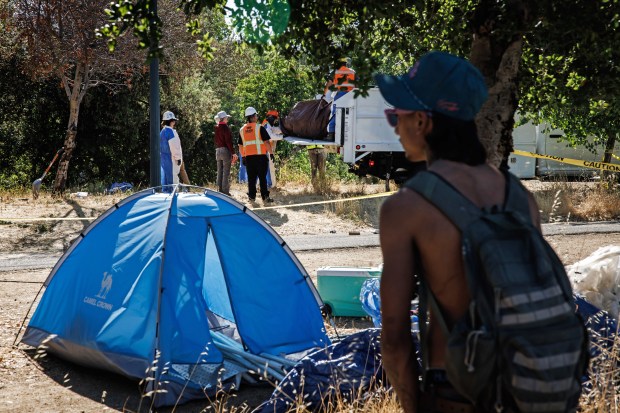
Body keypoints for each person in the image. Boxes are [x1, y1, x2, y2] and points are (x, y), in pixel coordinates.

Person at [375, 52, 541, 412]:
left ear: (421, 121)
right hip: (528, 390)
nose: (394, 126)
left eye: (395, 115)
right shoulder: (520, 198)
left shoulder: (407, 208)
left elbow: (394, 338)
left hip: (453, 391)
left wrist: (413, 405)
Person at [238, 106, 275, 203]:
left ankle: (251, 197)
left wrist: (243, 157)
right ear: (253, 116)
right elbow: (266, 142)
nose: (257, 117)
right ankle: (265, 197)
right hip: (261, 157)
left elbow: (240, 146)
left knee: (251, 179)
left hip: (249, 158)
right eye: (256, 115)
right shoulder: (260, 128)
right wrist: (271, 153)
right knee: (262, 178)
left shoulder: (242, 130)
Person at [324, 61, 355, 140]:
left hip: (340, 95)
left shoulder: (335, 72)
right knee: (350, 114)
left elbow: (329, 84)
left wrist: (324, 94)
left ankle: (331, 134)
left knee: (335, 113)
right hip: (351, 96)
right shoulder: (352, 72)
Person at [214, 110, 237, 195]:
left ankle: (219, 190)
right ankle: (225, 192)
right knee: (226, 172)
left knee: (219, 171)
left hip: (218, 151)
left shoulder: (216, 127)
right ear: (223, 118)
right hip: (225, 151)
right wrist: (233, 152)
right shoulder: (226, 128)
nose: (227, 119)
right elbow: (228, 141)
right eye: (226, 118)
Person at [160, 111, 183, 188]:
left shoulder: (162, 132)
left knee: (165, 181)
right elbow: (174, 147)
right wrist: (178, 158)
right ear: (171, 121)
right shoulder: (171, 132)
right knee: (173, 181)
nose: (174, 122)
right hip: (172, 160)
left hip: (163, 159)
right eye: (174, 120)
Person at [262, 110, 280, 188]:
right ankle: (270, 185)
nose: (275, 120)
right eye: (275, 118)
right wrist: (283, 137)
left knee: (270, 168)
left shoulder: (268, 125)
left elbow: (276, 130)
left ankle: (271, 184)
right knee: (269, 168)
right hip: (267, 150)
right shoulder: (266, 126)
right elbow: (271, 136)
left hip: (268, 149)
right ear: (271, 117)